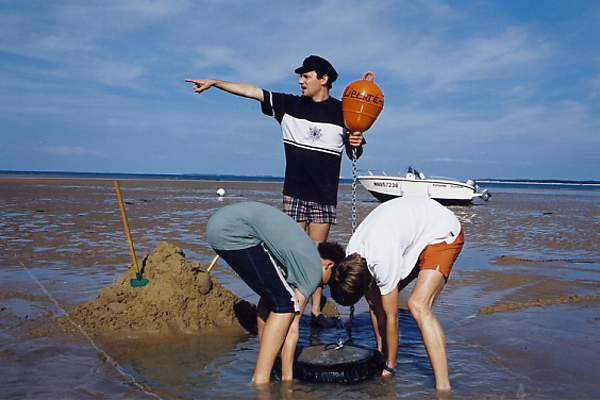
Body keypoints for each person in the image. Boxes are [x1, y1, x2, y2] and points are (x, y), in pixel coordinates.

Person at [186, 55, 364, 328]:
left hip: (324, 195)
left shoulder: (344, 113)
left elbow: (355, 151)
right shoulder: (288, 105)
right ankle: (285, 308)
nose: (300, 80)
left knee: (318, 257)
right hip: (294, 192)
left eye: (306, 75)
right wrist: (216, 83)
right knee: (287, 255)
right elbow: (252, 91)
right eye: (301, 76)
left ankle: (314, 314)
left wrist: (357, 140)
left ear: (324, 78)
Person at [329, 197, 464, 392]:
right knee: (376, 303)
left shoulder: (382, 260)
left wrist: (390, 367)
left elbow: (392, 318)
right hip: (414, 236)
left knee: (418, 305)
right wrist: (378, 356)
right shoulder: (352, 256)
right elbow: (374, 306)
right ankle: (382, 353)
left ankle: (443, 387)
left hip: (442, 232)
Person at [206, 201, 345, 385]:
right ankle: (261, 379)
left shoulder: (302, 251)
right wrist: (288, 379)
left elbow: (265, 306)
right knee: (286, 305)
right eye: (331, 279)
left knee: (273, 300)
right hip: (236, 233)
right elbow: (292, 327)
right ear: (329, 265)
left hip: (219, 226)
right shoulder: (312, 271)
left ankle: (266, 368)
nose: (325, 285)